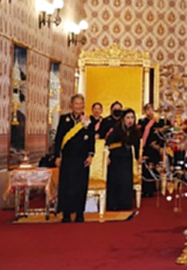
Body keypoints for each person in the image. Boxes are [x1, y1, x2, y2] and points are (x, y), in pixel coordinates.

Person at [53, 94, 96, 223]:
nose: (79, 106)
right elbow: (58, 139)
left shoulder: (88, 120)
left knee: (80, 186)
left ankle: (79, 213)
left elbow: (91, 140)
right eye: (76, 103)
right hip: (68, 158)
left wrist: (90, 155)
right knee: (67, 186)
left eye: (81, 104)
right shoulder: (64, 119)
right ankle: (66, 213)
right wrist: (57, 156)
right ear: (71, 105)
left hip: (82, 159)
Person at [105, 108, 140, 211]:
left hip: (127, 158)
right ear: (123, 119)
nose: (130, 120)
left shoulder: (135, 131)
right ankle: (113, 204)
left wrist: (138, 158)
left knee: (126, 181)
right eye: (128, 117)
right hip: (115, 158)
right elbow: (108, 144)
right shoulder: (117, 129)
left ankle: (125, 204)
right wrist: (107, 156)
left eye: (132, 117)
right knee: (115, 181)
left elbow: (136, 146)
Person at [139, 104, 168, 198]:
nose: (150, 112)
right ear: (144, 111)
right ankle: (145, 189)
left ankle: (152, 189)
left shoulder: (158, 122)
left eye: (151, 110)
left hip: (155, 148)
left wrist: (158, 145)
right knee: (145, 168)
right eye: (147, 110)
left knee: (153, 167)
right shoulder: (142, 122)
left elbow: (163, 135)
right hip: (145, 147)